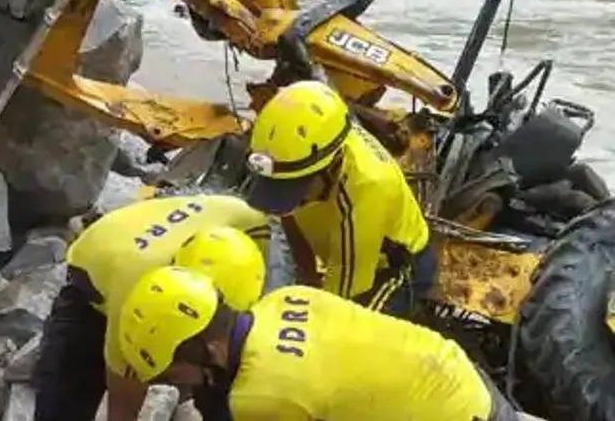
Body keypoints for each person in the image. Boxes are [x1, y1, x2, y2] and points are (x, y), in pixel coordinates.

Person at [118, 266, 520, 421]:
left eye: (172, 372)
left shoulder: (260, 396)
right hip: (462, 374)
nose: (175, 383)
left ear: (208, 352)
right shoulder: (286, 298)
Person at [32, 194, 270, 421]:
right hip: (98, 277)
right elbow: (123, 405)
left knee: (224, 377)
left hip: (150, 253)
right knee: (64, 400)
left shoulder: (249, 225)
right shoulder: (134, 297)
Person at [243, 79, 436, 317]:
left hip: (394, 265)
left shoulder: (367, 190)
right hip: (335, 238)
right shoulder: (299, 152)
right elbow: (288, 214)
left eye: (296, 190)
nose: (294, 199)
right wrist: (308, 277)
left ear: (331, 166)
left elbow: (338, 309)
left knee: (351, 335)